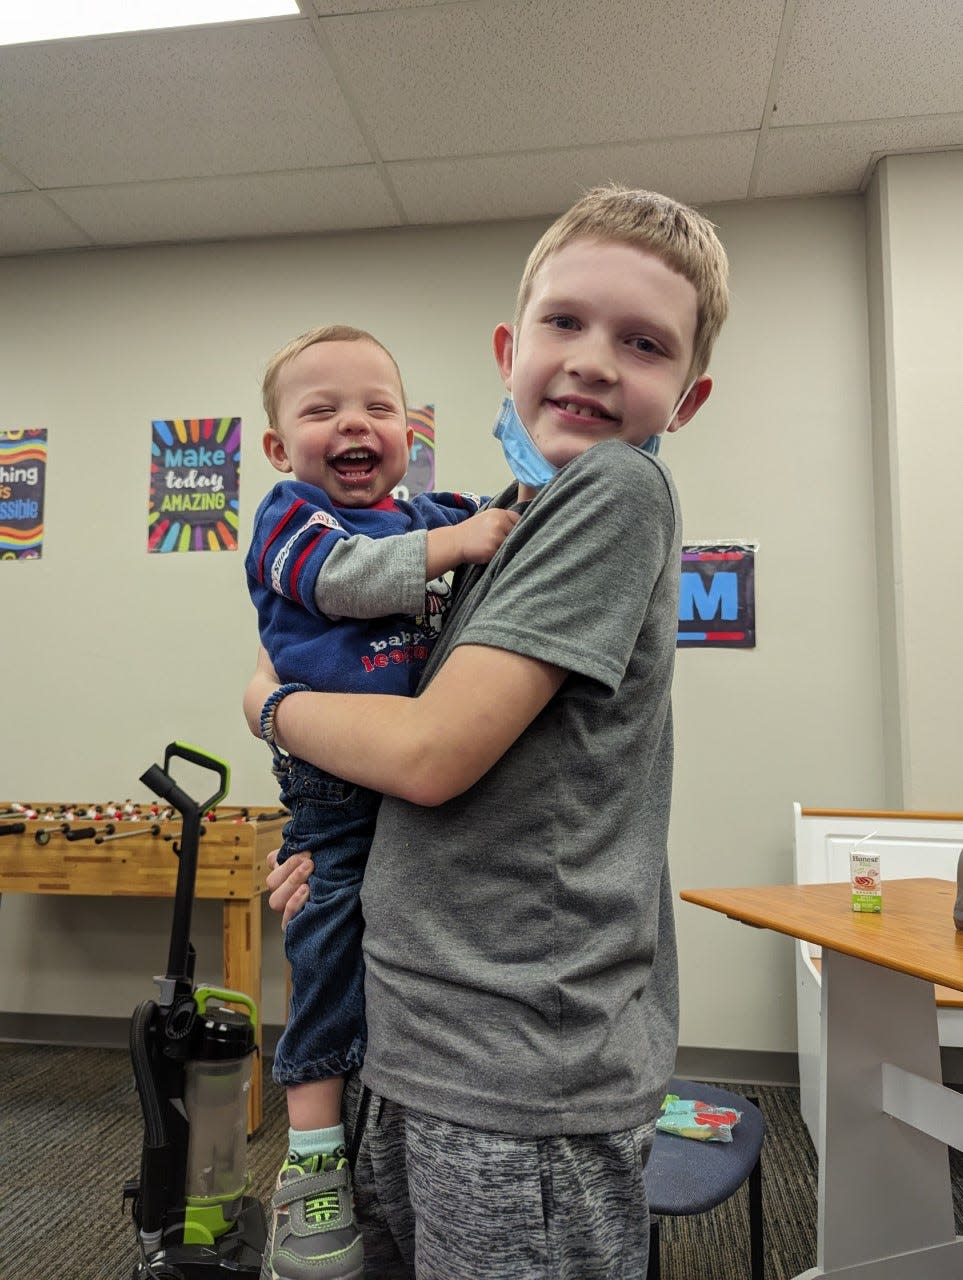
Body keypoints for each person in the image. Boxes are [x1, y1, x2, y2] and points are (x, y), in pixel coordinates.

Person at [247, 184, 730, 1279]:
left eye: (643, 342)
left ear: (686, 398)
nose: (596, 360)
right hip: (418, 1028)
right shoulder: (499, 518)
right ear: (512, 347)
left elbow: (430, 751)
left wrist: (267, 708)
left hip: (515, 1067)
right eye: (566, 323)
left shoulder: (614, 489)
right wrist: (336, 860)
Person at [245, 323, 519, 1280]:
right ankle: (311, 1161)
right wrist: (458, 540)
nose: (353, 424)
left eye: (378, 408)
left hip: (414, 778)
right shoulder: (289, 521)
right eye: (321, 411)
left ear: (411, 431)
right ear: (281, 448)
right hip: (334, 784)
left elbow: (506, 520)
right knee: (324, 951)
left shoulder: (427, 510)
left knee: (399, 953)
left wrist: (515, 493)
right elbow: (343, 582)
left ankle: (379, 1123)